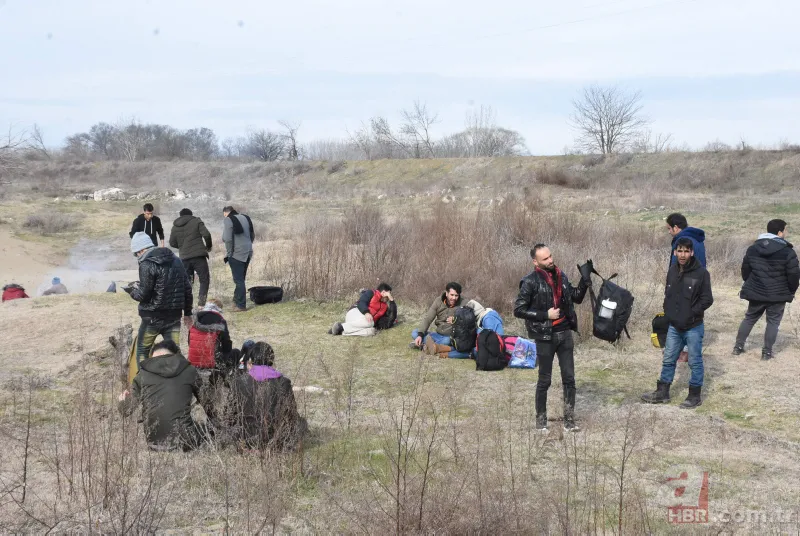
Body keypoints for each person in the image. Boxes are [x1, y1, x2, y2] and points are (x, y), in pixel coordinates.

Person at [513, 244, 590, 433]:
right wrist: (545, 315)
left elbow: (576, 298)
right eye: (545, 259)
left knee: (569, 379)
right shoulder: (529, 281)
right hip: (545, 336)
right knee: (544, 380)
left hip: (565, 334)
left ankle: (569, 422)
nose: (550, 260)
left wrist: (584, 280)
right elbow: (518, 310)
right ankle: (541, 422)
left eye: (550, 256)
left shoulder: (560, 275)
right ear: (535, 262)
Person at [642, 237, 713, 409]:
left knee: (694, 362)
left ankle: (694, 396)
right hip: (674, 326)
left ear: (692, 252)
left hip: (693, 327)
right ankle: (662, 392)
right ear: (675, 252)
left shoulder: (701, 273)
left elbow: (707, 299)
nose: (682, 254)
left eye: (686, 251)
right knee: (668, 359)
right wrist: (669, 313)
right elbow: (669, 295)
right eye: (679, 251)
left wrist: (691, 313)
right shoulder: (672, 270)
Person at [118, 340, 204, 451]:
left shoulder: (142, 375)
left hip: (154, 444)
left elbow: (126, 410)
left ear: (153, 355)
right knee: (205, 428)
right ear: (174, 354)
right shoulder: (189, 370)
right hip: (185, 442)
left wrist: (122, 401)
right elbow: (209, 403)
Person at [733, 219, 799, 360]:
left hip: (756, 291)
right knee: (773, 322)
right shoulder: (787, 251)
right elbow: (794, 275)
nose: (786, 233)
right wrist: (791, 291)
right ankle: (766, 352)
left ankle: (738, 347)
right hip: (778, 294)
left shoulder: (753, 248)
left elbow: (745, 270)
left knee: (749, 318)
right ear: (780, 232)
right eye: (785, 230)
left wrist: (751, 283)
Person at [125, 232, 193, 366]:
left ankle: (144, 383)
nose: (137, 257)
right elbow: (187, 288)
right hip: (174, 316)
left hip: (152, 318)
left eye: (136, 254)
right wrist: (188, 313)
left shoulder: (146, 264)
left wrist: (131, 290)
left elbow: (143, 295)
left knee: (143, 351)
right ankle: (176, 382)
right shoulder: (176, 259)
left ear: (142, 250)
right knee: (174, 353)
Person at [225, 341, 307, 452]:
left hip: (245, 439)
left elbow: (229, 415)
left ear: (251, 360)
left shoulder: (238, 382)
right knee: (302, 423)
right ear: (271, 360)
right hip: (275, 440)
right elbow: (291, 414)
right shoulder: (283, 382)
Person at [188, 299, 236, 420]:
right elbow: (226, 344)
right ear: (219, 309)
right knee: (232, 353)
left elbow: (189, 341)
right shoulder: (220, 320)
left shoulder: (195, 318)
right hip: (211, 363)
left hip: (193, 360)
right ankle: (226, 381)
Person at [409, 282, 472, 359]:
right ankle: (430, 346)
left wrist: (457, 320)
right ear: (446, 293)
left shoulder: (464, 303)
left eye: (456, 295)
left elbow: (470, 321)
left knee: (447, 341)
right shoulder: (438, 301)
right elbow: (428, 318)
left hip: (451, 337)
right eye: (452, 295)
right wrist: (420, 335)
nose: (454, 298)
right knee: (415, 333)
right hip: (438, 335)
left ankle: (425, 346)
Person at [169, 208, 213, 307]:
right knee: (204, 279)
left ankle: (187, 306)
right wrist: (208, 247)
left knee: (187, 283)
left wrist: (182, 247)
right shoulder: (196, 221)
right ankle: (201, 304)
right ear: (190, 215)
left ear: (180, 216)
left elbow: (172, 242)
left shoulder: (175, 226)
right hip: (198, 256)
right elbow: (206, 234)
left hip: (184, 258)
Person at [329, 283, 394, 336]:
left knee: (371, 331)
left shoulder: (384, 307)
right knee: (370, 323)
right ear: (383, 292)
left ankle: (341, 331)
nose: (389, 296)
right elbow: (361, 302)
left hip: (362, 324)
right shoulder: (371, 293)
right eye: (389, 294)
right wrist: (366, 312)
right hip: (354, 313)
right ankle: (341, 326)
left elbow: (391, 319)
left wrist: (392, 301)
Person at [222, 206, 254, 312]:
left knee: (238, 280)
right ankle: (236, 300)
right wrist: (248, 245)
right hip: (248, 251)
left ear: (226, 213)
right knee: (241, 278)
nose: (224, 217)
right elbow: (252, 234)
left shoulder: (228, 219)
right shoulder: (245, 217)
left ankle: (241, 306)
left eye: (224, 215)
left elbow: (227, 239)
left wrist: (230, 253)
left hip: (237, 253)